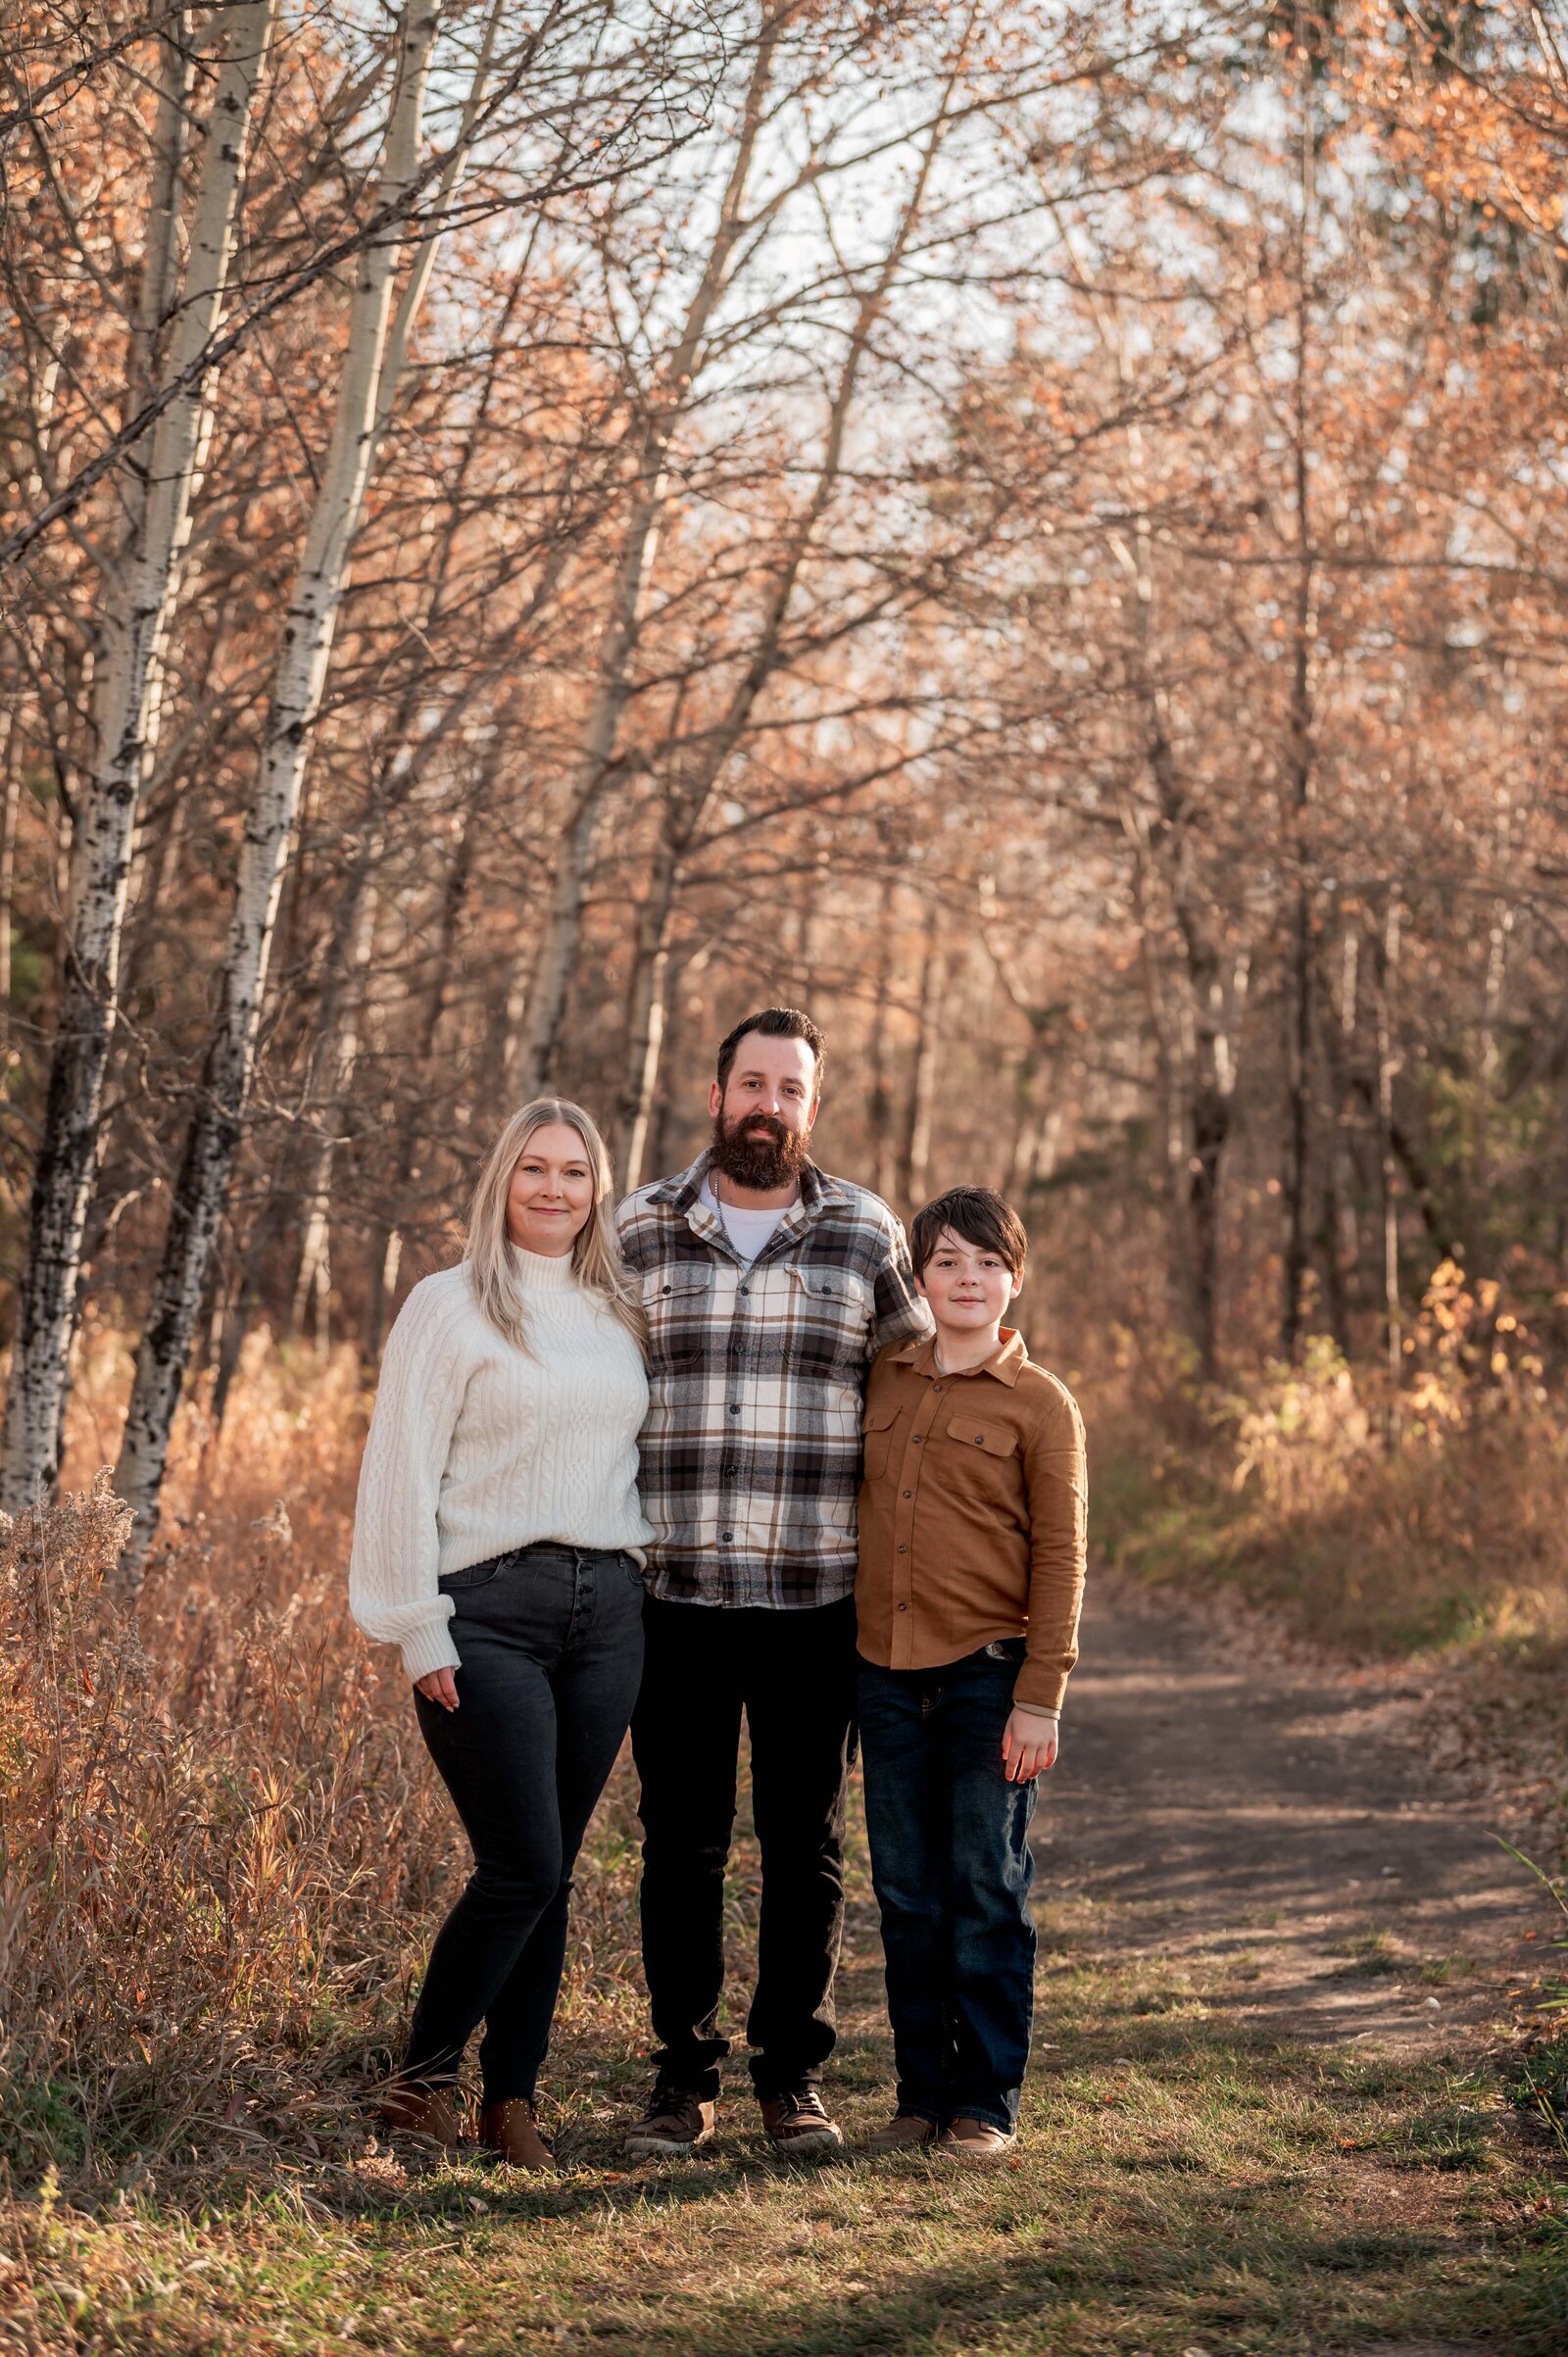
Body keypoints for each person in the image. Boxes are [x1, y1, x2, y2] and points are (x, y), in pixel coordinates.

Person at [615, 1007, 930, 2155]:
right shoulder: (640, 1230)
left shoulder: (862, 1233)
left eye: (789, 1089)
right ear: (715, 1097)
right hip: (675, 1597)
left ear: (812, 1104)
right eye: (752, 1083)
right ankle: (680, 2079)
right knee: (679, 1841)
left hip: (814, 1601)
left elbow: (917, 1391)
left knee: (805, 1846)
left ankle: (789, 2076)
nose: (768, 1105)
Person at [349, 1098, 651, 2169]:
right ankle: (418, 2083)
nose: (555, 1189)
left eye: (575, 1171)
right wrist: (415, 1627)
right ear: (500, 1180)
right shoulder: (448, 1304)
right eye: (534, 1168)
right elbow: (398, 1470)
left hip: (609, 1610)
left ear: (596, 1188)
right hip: (489, 1611)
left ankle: (510, 2101)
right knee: (519, 1862)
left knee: (555, 1867)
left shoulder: (619, 1308)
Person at [854, 1186, 1087, 2161]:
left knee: (985, 1883)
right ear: (919, 1276)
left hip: (989, 1677)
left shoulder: (1041, 1404)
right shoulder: (885, 1378)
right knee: (907, 1892)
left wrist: (1041, 1694)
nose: (967, 1278)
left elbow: (1062, 1552)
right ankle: (920, 2091)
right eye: (947, 1259)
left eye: (987, 1261)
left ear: (1014, 1278)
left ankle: (984, 2098)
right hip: (884, 1674)